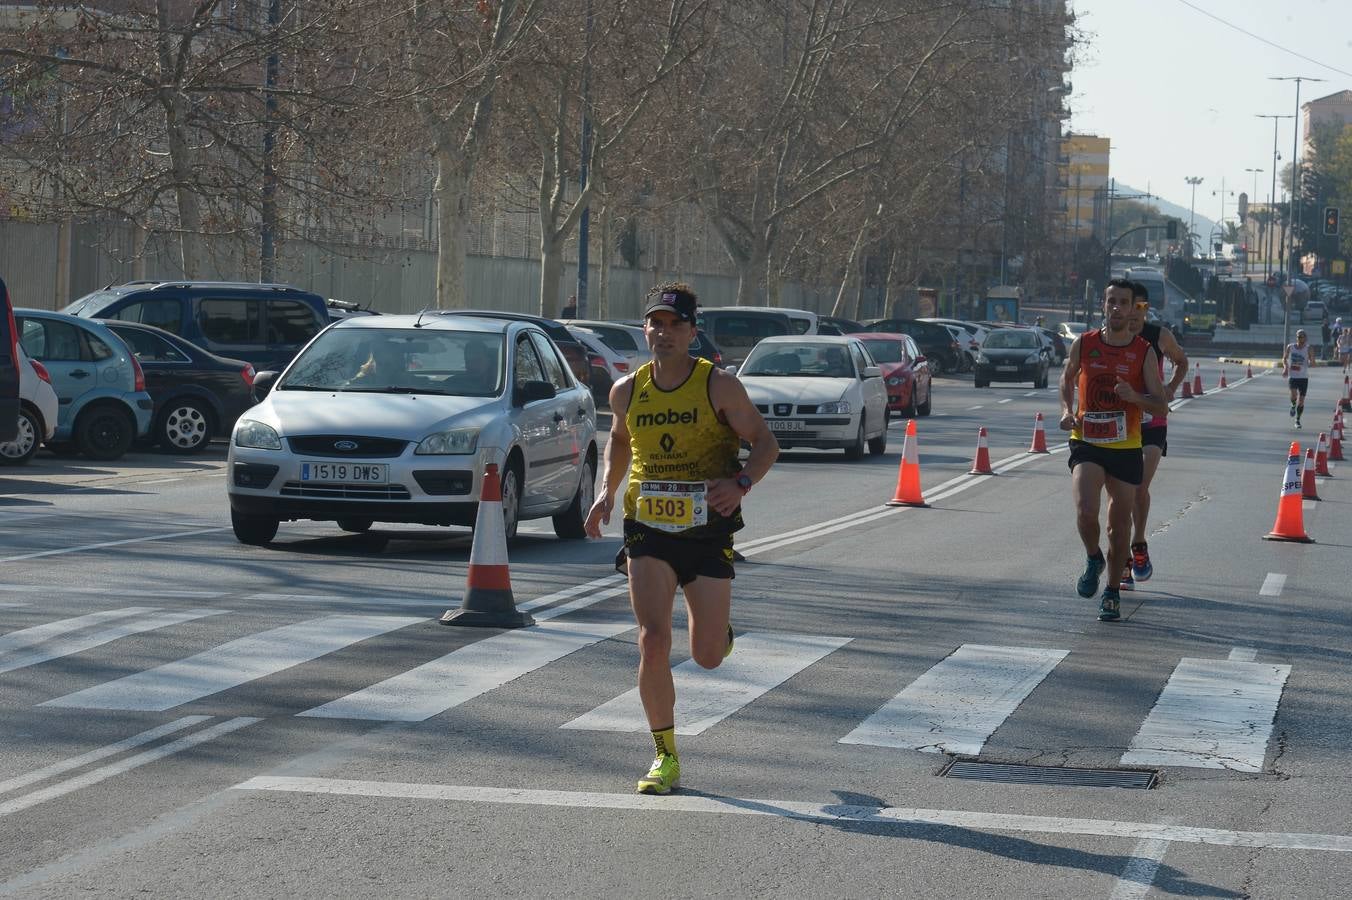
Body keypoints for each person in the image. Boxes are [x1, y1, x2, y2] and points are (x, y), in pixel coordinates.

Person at [585, 282, 778, 795]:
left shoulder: (719, 386)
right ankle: (664, 755)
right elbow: (621, 443)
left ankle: (721, 635)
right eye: (656, 323)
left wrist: (740, 484)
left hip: (705, 528)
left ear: (692, 332)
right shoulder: (626, 390)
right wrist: (606, 493)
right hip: (647, 525)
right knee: (652, 639)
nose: (663, 333)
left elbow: (765, 443)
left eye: (674, 325)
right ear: (645, 328)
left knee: (707, 655)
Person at [1059, 278, 1170, 622]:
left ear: (1132, 307)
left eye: (1124, 302)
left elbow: (1161, 405)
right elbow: (1066, 378)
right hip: (1087, 441)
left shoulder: (1143, 351)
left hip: (1125, 446)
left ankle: (1111, 591)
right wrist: (1067, 410)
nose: (1117, 308)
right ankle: (1094, 557)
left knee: (1118, 527)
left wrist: (1134, 396)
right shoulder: (1085, 343)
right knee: (1085, 511)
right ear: (1103, 305)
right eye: (1111, 302)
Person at [1118, 283, 1188, 592]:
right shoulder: (1113, 336)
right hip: (1122, 422)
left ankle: (1138, 543)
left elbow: (1182, 361)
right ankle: (1122, 557)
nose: (1135, 313)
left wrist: (1171, 388)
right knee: (1120, 493)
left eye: (1142, 308)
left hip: (1153, 421)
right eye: (1132, 306)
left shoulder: (1160, 336)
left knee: (1138, 488)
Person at [1280, 330, 1312, 428]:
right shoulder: (1290, 347)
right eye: (1298, 337)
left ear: (1305, 338)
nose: (1300, 338)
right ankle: (1293, 405)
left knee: (1301, 401)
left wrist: (1312, 363)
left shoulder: (1309, 348)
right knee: (1294, 395)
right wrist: (1285, 368)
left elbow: (1312, 362)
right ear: (1296, 338)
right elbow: (1284, 358)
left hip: (1303, 377)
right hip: (1293, 376)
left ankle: (1297, 420)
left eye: (1302, 337)